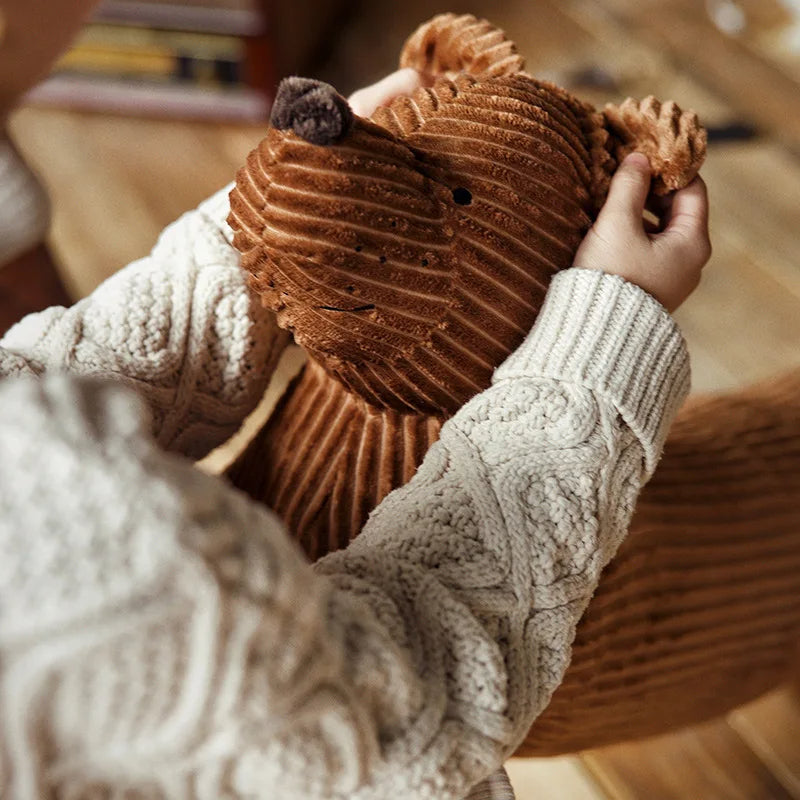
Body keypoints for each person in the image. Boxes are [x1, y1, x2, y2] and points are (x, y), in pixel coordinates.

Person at [0, 53, 711, 800]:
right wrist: (602, 340)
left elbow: (37, 388)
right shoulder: (116, 628)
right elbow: (412, 708)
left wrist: (285, 221)